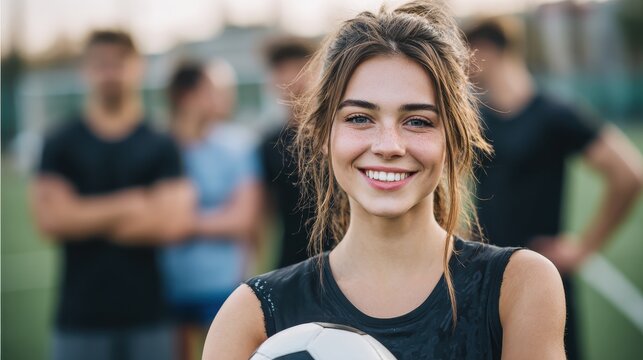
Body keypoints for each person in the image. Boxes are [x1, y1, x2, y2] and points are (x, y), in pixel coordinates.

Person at [203, 2, 567, 359]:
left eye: (418, 121)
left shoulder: (518, 286)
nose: (388, 146)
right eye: (360, 118)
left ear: (454, 140)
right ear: (321, 136)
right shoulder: (252, 313)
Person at [465, 17, 643, 360]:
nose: (462, 67)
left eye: (466, 55)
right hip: (486, 276)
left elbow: (629, 174)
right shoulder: (477, 119)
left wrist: (584, 247)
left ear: (485, 51)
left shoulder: (554, 114)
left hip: (543, 279)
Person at [29, 30, 195, 360]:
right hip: (78, 319)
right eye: (100, 64)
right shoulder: (60, 142)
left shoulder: (160, 144)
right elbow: (51, 219)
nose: (110, 73)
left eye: (119, 63)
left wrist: (81, 214)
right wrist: (133, 203)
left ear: (139, 68)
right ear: (85, 70)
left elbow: (174, 224)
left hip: (150, 317)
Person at [162, 60, 263, 360]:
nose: (226, 97)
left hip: (224, 285)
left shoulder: (238, 145)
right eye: (215, 91)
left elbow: (243, 219)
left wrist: (178, 223)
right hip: (165, 287)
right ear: (187, 96)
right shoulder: (157, 147)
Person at [259, 36, 322, 268]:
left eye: (298, 69)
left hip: (347, 258)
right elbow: (263, 214)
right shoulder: (269, 144)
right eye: (282, 71)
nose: (290, 79)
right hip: (291, 263)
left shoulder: (339, 133)